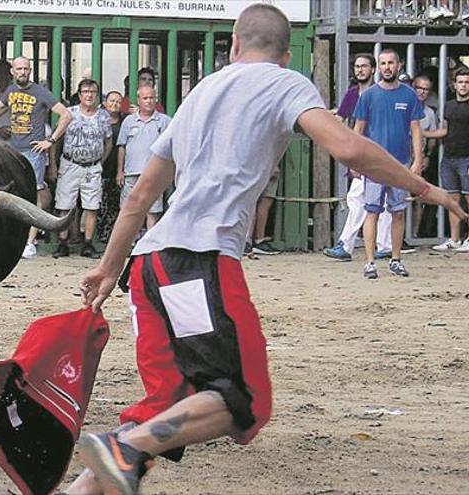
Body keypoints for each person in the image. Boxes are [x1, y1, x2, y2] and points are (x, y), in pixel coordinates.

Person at [69, 5, 466, 494]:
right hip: (199, 263)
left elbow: (139, 196)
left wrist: (110, 268)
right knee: (245, 401)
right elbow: (348, 148)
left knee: (167, 407)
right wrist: (424, 189)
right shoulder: (285, 83)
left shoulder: (200, 94)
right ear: (283, 53)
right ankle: (120, 448)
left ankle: (86, 484)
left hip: (150, 268)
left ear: (235, 44)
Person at [0, 56, 73, 258]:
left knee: (34, 196)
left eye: (26, 69)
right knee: (15, 193)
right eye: (19, 69)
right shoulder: (11, 91)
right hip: (14, 150)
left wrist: (50, 140)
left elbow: (66, 115)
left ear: (30, 70)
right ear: (13, 72)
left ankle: (30, 242)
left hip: (34, 152)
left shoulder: (40, 92)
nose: (22, 72)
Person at [354, 49, 424, 279]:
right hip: (374, 165)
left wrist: (417, 161)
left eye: (390, 63)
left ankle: (396, 259)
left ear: (399, 65)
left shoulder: (409, 95)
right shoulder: (368, 96)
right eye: (383, 63)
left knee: (399, 213)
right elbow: (358, 130)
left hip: (400, 165)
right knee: (371, 212)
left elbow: (416, 130)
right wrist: (354, 160)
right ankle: (370, 263)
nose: (386, 67)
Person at [323, 53, 393, 261]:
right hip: (362, 150)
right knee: (363, 198)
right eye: (356, 66)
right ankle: (379, 245)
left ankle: (354, 245)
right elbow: (340, 117)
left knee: (368, 198)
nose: (359, 70)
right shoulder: (353, 93)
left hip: (377, 150)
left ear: (373, 69)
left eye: (364, 66)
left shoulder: (380, 93)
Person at [51, 79, 112, 259]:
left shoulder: (103, 116)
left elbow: (108, 142)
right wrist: (53, 165)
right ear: (79, 94)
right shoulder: (69, 113)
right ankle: (63, 243)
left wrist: (100, 161)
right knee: (64, 204)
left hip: (92, 166)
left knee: (91, 206)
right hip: (70, 163)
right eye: (85, 91)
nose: (89, 95)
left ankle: (87, 243)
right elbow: (56, 138)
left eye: (93, 92)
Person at [426, 67, 469, 252]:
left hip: (466, 158)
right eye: (460, 82)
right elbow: (444, 130)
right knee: (452, 200)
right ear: (454, 84)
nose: (464, 85)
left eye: (467, 82)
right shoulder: (449, 105)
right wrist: (421, 133)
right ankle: (454, 239)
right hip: (449, 158)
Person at [116, 85, 171, 232]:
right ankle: (130, 245)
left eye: (152, 98)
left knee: (152, 211)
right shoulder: (128, 121)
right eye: (145, 98)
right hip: (131, 173)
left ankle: (149, 247)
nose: (149, 101)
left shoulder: (165, 121)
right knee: (128, 211)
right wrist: (119, 171)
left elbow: (171, 148)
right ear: (138, 100)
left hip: (153, 174)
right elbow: (121, 147)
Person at [411, 75, 441, 239]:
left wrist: (427, 156)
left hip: (419, 159)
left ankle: (413, 234)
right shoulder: (404, 107)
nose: (422, 92)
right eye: (419, 88)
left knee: (418, 198)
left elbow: (431, 139)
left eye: (426, 89)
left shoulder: (429, 113)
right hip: (400, 158)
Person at [97, 90, 124, 242]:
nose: (114, 104)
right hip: (100, 168)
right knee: (98, 205)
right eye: (112, 101)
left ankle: (107, 238)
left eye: (118, 102)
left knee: (113, 206)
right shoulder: (98, 120)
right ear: (105, 103)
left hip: (116, 170)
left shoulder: (125, 121)